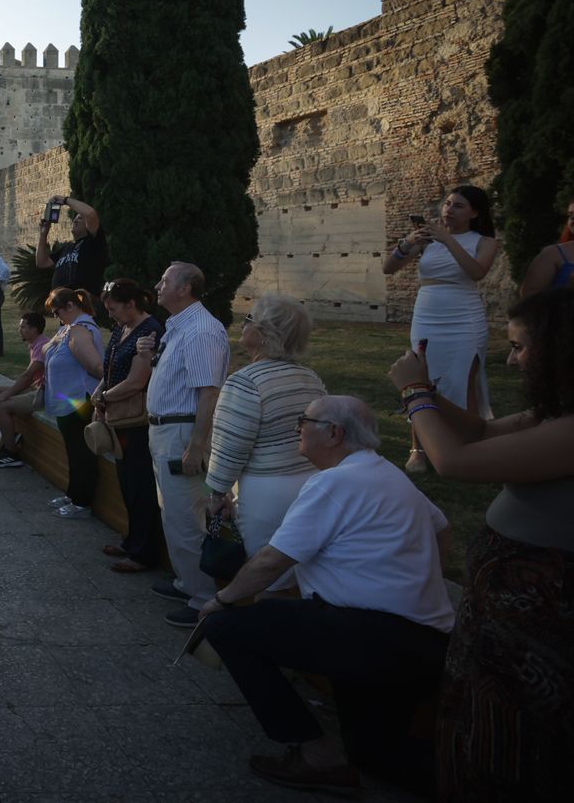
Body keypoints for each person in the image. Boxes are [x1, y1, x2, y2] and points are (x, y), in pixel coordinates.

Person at [198, 396, 453, 798]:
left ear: (334, 433)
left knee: (225, 628)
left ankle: (316, 754)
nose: (297, 427)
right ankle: (486, 777)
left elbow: (270, 562)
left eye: (305, 421)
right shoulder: (385, 473)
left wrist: (223, 600)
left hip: (372, 636)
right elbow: (442, 529)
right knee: (374, 758)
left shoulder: (334, 482)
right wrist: (414, 576)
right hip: (423, 642)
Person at [387, 288, 574, 803]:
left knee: (522, 756)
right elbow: (481, 433)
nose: (512, 360)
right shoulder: (551, 414)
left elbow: (456, 462)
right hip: (505, 629)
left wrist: (413, 396)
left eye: (520, 347)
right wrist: (428, 388)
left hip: (544, 633)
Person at [203, 295, 325, 570]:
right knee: (300, 573)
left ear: (265, 333)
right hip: (311, 486)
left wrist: (216, 494)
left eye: (249, 319)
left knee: (266, 574)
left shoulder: (246, 383)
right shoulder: (311, 378)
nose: (243, 325)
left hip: (267, 492)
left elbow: (229, 448)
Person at [139, 261, 231, 627]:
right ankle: (186, 581)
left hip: (181, 433)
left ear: (186, 288)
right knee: (172, 513)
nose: (158, 285)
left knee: (187, 517)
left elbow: (208, 392)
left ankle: (204, 597)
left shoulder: (202, 331)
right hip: (164, 431)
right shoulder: (178, 327)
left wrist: (197, 445)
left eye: (165, 280)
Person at [382, 185, 498, 473]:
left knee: (463, 379)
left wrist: (448, 240)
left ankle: (468, 444)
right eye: (447, 203)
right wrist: (408, 243)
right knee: (420, 377)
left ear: (474, 213)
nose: (448, 209)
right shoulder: (427, 240)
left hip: (464, 316)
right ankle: (418, 449)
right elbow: (388, 268)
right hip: (428, 312)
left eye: (458, 205)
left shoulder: (484, 242)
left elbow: (476, 272)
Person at [90, 279, 163, 573]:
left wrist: (103, 398)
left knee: (141, 485)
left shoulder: (151, 331)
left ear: (131, 304)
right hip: (118, 418)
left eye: (114, 308)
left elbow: (137, 381)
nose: (111, 315)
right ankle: (132, 540)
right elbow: (110, 368)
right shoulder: (122, 328)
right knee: (127, 483)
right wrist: (99, 391)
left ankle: (144, 552)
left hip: (136, 422)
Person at [39, 288, 104, 518]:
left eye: (57, 312)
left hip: (78, 400)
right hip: (67, 401)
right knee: (73, 449)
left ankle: (82, 501)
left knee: (81, 451)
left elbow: (96, 366)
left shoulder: (80, 330)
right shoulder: (69, 328)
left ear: (70, 306)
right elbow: (46, 350)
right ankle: (73, 493)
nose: (57, 317)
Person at [0, 311, 48, 469]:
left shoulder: (42, 346)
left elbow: (27, 376)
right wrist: (5, 392)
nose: (19, 330)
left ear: (34, 329)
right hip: (36, 388)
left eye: (23, 327)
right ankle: (10, 436)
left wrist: (7, 395)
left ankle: (11, 453)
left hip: (44, 394)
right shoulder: (37, 343)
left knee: (2, 405)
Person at [32, 195, 107, 298]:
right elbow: (41, 262)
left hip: (82, 303)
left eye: (80, 218)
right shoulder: (67, 248)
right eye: (74, 219)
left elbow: (90, 214)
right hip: (61, 304)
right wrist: (43, 234)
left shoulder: (94, 241)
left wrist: (65, 200)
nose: (74, 221)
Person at [517, 197, 574, 296]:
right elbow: (528, 296)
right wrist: (568, 288)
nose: (572, 218)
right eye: (570, 215)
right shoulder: (553, 253)